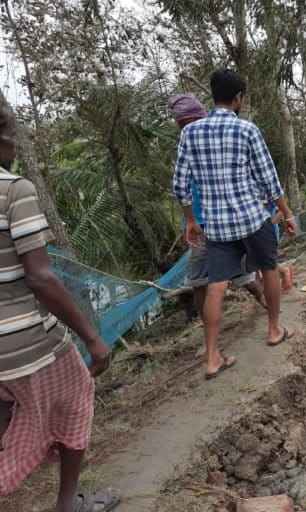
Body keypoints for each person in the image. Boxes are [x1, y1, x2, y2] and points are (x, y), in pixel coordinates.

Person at [0, 92, 119, 511]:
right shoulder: (14, 191)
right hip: (23, 342)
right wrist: (91, 337)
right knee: (76, 390)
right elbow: (40, 277)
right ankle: (68, 504)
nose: (14, 147)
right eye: (12, 136)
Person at [173, 69, 297, 379]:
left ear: (212, 95)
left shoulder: (190, 133)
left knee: (217, 285)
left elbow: (180, 184)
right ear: (238, 98)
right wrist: (288, 214)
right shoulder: (247, 130)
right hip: (252, 218)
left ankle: (213, 358)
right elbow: (269, 181)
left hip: (216, 226)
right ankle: (273, 330)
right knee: (268, 268)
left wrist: (191, 221)